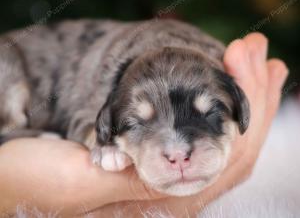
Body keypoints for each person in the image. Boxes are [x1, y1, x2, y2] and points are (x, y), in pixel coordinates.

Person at [0, 33, 288, 217]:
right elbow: (85, 121)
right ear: (108, 121)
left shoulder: (222, 68)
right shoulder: (104, 89)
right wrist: (97, 141)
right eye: (138, 123)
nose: (178, 151)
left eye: (209, 113)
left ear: (240, 108)